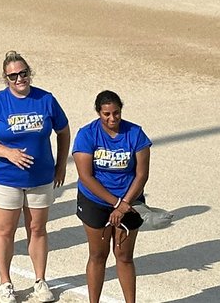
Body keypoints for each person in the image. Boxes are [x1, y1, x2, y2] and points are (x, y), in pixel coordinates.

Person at [0, 51, 70, 303]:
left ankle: (40, 280)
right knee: (5, 230)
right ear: (5, 78)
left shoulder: (46, 99)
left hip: (41, 177)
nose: (19, 79)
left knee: (37, 229)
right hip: (6, 177)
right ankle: (5, 282)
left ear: (29, 73)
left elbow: (63, 130)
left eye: (23, 73)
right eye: (13, 75)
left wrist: (61, 165)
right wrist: (8, 153)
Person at [73, 91, 152, 303]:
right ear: (98, 112)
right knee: (98, 256)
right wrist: (116, 203)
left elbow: (142, 174)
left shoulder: (135, 134)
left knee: (124, 256)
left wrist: (124, 204)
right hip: (95, 201)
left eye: (116, 113)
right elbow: (86, 176)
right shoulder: (87, 135)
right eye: (106, 114)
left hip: (129, 200)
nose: (112, 118)